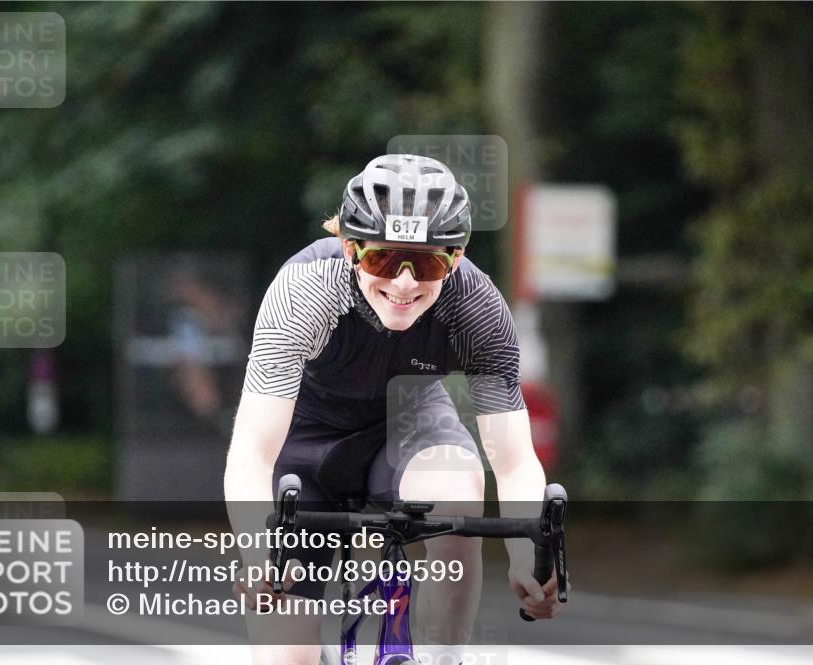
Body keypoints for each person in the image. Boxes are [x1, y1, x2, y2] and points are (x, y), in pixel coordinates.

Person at [226, 154, 563, 665]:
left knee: (459, 487)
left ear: (456, 256)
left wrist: (526, 554)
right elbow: (252, 450)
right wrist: (257, 551)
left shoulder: (476, 307)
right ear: (349, 247)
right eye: (383, 260)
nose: (404, 283)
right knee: (285, 657)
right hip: (302, 450)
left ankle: (442, 656)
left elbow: (513, 459)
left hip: (408, 428)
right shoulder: (305, 290)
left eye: (427, 262)